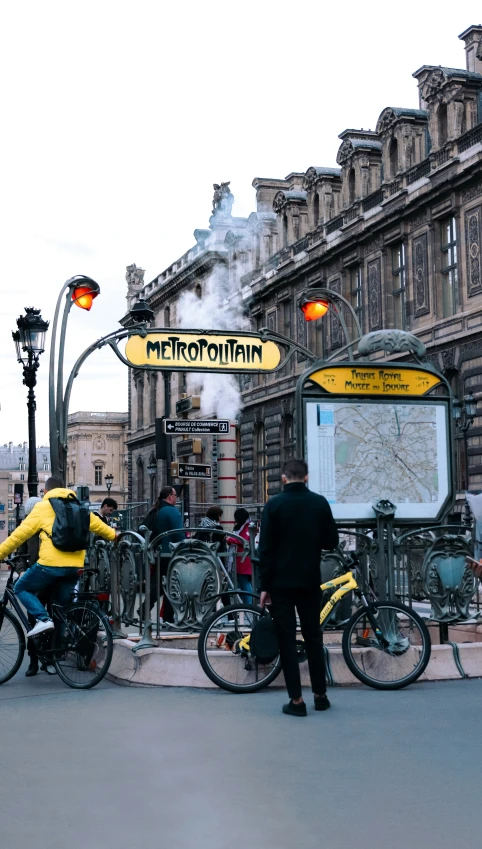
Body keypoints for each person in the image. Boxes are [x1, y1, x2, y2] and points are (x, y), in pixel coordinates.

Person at [258, 458, 339, 717]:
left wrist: (264, 586)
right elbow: (331, 541)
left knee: (287, 640)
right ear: (306, 478)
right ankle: (321, 695)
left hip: (280, 584)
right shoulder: (319, 503)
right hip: (309, 580)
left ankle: (296, 701)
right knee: (314, 637)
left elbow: (266, 549)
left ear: (283, 478)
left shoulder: (274, 505)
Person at [0, 476, 117, 638]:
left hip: (50, 566)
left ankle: (42, 618)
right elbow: (102, 528)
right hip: (75, 567)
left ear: (46, 491)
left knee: (21, 587)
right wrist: (116, 536)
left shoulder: (42, 507)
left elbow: (17, 537)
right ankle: (59, 650)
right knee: (62, 611)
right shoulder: (79, 507)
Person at [144, 486, 185, 623]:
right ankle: (166, 615)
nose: (176, 497)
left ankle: (155, 611)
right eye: (175, 495)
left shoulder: (158, 510)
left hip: (160, 552)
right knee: (170, 584)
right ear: (169, 497)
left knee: (163, 584)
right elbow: (178, 534)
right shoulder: (172, 511)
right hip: (170, 553)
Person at [227, 508, 253, 604]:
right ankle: (246, 604)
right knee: (243, 583)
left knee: (244, 582)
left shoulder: (247, 527)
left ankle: (248, 605)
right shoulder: (243, 526)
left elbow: (244, 541)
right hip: (240, 558)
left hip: (243, 559)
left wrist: (230, 540)